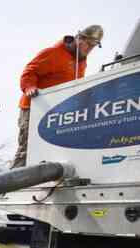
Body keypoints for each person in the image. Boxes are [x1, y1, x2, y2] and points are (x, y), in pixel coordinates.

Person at [12, 25, 104, 168]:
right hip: (34, 109)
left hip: (57, 113)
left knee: (52, 151)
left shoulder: (82, 62)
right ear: (79, 38)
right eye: (88, 44)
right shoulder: (53, 53)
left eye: (93, 46)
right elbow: (29, 73)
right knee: (28, 151)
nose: (89, 49)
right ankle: (10, 186)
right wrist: (29, 87)